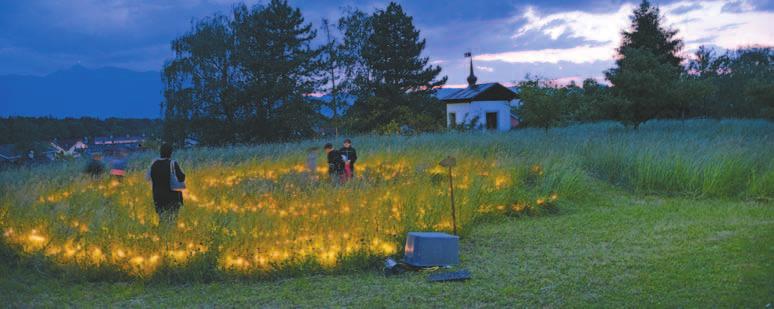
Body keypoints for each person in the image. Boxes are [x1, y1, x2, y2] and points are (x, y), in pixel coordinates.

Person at [148, 143, 185, 224]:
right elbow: (181, 177)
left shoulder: (154, 164)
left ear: (160, 152)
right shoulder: (173, 163)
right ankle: (171, 234)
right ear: (170, 153)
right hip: (172, 196)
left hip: (158, 196)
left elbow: (149, 178)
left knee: (162, 219)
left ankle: (162, 233)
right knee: (172, 219)